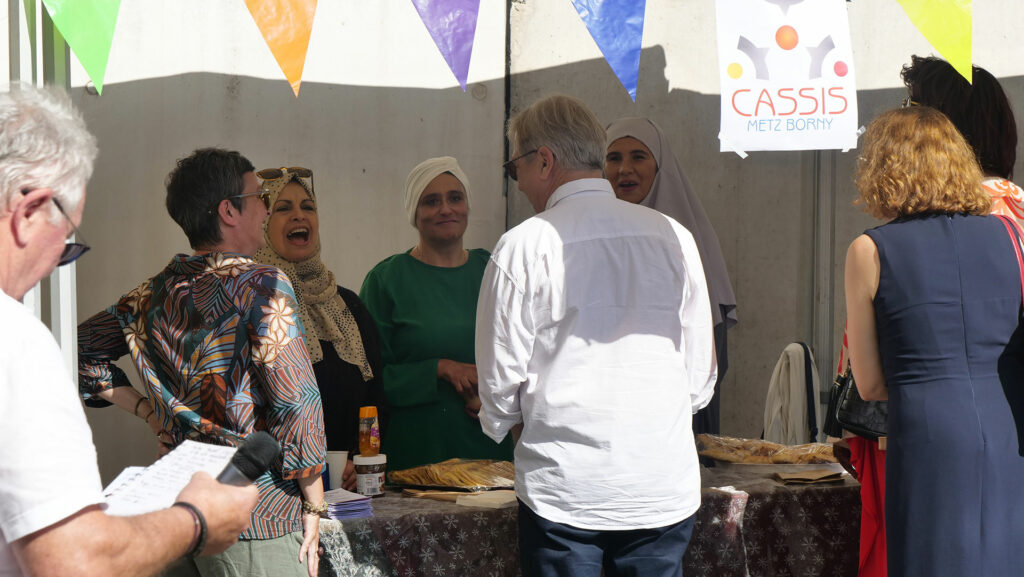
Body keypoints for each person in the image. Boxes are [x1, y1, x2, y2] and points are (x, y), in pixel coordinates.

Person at [0, 87, 257, 577]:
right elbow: (74, 560)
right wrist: (195, 521)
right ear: (30, 212)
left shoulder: (147, 294)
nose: (56, 264)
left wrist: (147, 409)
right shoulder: (15, 342)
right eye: (67, 243)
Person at [476, 94, 717, 576]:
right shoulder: (674, 236)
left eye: (515, 167)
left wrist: (513, 425)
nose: (518, 181)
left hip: (565, 490)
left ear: (543, 160)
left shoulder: (523, 245)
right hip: (658, 485)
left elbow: (500, 386)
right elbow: (698, 380)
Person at [77, 149, 326, 577]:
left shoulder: (150, 294)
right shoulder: (263, 284)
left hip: (179, 504)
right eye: (258, 196)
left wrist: (150, 412)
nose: (266, 207)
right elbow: (295, 400)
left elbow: (79, 349)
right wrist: (314, 503)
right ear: (229, 210)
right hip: (254, 510)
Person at [845, 106, 1024, 577]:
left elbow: (868, 383)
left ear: (883, 169)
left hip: (926, 427)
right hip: (1005, 422)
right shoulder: (1012, 233)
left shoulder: (870, 249)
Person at [359, 157, 514, 472]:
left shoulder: (494, 271)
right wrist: (439, 369)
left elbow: (527, 356)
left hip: (490, 451)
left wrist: (500, 394)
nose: (446, 209)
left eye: (455, 198)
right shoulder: (387, 280)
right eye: (431, 201)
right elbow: (367, 379)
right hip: (417, 454)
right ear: (414, 214)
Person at [253, 166, 386, 490]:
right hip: (275, 491)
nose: (299, 216)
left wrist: (361, 459)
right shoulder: (252, 300)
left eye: (307, 207)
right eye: (283, 208)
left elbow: (376, 396)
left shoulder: (347, 305)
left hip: (346, 489)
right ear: (263, 223)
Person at [605, 117, 737, 435]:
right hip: (608, 405)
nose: (625, 169)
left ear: (660, 165)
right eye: (613, 158)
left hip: (675, 410)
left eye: (638, 156)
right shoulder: (592, 235)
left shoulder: (690, 237)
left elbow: (710, 342)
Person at [902, 55, 1022, 223]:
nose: (901, 120)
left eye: (911, 106)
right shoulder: (1007, 204)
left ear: (944, 124)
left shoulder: (974, 212)